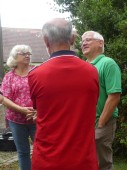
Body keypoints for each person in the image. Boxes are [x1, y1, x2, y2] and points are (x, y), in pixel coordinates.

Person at [28, 18, 99, 170]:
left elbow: (40, 110)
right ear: (73, 39)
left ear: (46, 41)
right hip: (84, 160)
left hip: (48, 161)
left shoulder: (35, 74)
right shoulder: (92, 72)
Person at [81, 31, 121, 170]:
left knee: (102, 164)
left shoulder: (108, 63)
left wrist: (101, 124)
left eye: (88, 40)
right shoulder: (83, 66)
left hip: (102, 122)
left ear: (100, 43)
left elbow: (114, 95)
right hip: (85, 123)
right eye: (82, 40)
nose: (83, 43)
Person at [1, 45, 36, 170]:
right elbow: (4, 98)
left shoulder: (36, 72)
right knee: (23, 152)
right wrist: (21, 109)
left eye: (28, 53)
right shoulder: (9, 77)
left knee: (41, 150)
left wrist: (36, 110)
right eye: (23, 53)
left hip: (36, 119)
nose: (27, 55)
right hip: (16, 121)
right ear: (15, 57)